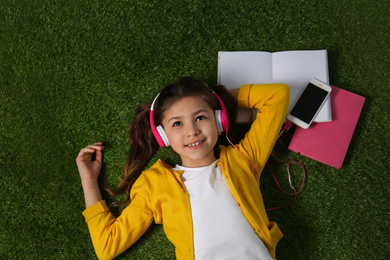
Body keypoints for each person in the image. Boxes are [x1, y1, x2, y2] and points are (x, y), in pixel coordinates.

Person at [76, 76, 289, 260]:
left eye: (201, 117)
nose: (192, 131)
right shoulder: (155, 186)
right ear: (163, 135)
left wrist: (221, 102)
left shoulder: (244, 158)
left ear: (218, 120)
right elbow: (107, 246)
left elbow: (277, 96)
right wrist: (89, 181)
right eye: (177, 123)